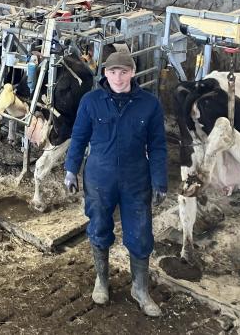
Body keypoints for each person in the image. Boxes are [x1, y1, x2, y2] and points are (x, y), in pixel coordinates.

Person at [63, 50, 167, 317]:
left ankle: (140, 289)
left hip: (136, 178)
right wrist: (70, 170)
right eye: (112, 72)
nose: (118, 78)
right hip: (100, 177)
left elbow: (157, 146)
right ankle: (102, 280)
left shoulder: (150, 104)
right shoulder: (91, 101)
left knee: (141, 232)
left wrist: (160, 181)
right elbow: (78, 137)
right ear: (105, 74)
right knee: (98, 226)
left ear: (133, 73)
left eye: (123, 72)